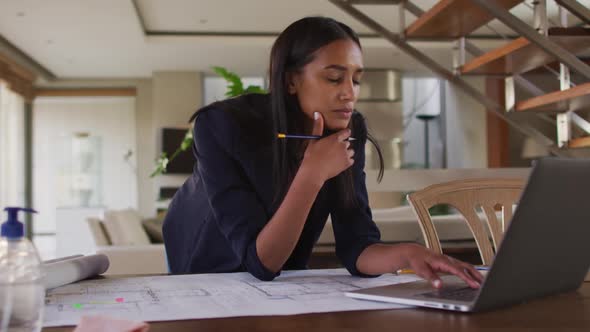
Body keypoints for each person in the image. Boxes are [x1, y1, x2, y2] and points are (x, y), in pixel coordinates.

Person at [163, 16, 483, 289]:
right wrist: (312, 172)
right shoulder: (222, 125)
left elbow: (357, 245)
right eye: (334, 78)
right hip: (205, 266)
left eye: (356, 80)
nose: (349, 93)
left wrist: (411, 253)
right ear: (290, 80)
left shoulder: (347, 129)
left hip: (278, 277)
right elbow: (260, 262)